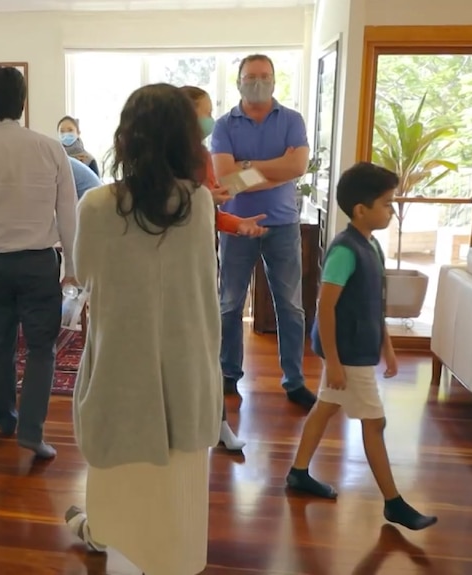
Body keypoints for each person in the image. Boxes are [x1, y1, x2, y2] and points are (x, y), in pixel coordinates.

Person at [64, 83, 222, 575]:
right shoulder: (200, 206)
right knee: (178, 498)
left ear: (126, 138)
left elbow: (85, 273)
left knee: (123, 496)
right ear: (187, 139)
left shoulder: (95, 206)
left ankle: (105, 540)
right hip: (188, 369)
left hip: (121, 370)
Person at [286, 162, 438, 532]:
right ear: (361, 210)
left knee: (325, 408)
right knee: (375, 422)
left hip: (359, 349)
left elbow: (375, 302)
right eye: (387, 203)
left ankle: (298, 472)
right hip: (348, 355)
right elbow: (325, 306)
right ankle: (393, 502)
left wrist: (387, 345)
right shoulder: (345, 251)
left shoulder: (372, 247)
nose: (392, 210)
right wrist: (334, 362)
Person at [0, 65, 78, 459]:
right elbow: (68, 213)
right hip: (39, 262)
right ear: (23, 102)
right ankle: (32, 432)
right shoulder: (50, 149)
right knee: (42, 348)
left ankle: (5, 417)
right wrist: (71, 266)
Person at [210, 54, 316, 409]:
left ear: (274, 80)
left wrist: (247, 167)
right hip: (235, 226)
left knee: (290, 307)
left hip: (283, 224)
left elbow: (298, 166)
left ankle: (295, 380)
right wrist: (275, 169)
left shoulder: (291, 120)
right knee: (230, 305)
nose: (258, 81)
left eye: (265, 76)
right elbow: (226, 180)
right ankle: (228, 375)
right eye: (251, 76)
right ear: (238, 81)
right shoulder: (225, 124)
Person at [180, 85, 269, 451]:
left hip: (200, 263)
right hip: (170, 265)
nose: (209, 117)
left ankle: (217, 423)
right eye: (205, 110)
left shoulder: (201, 154)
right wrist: (202, 199)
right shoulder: (165, 158)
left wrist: (238, 224)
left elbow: (211, 212)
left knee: (208, 346)